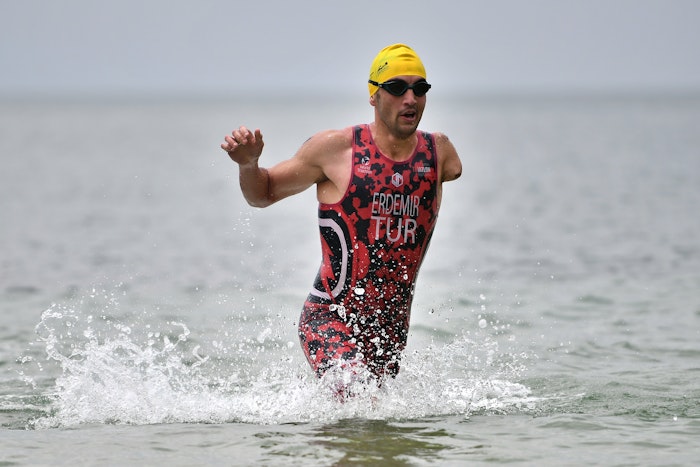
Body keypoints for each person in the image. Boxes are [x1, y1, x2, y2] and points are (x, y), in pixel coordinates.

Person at [221, 43, 462, 388]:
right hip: (327, 318)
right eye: (397, 88)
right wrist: (248, 164)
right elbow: (262, 193)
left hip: (389, 334)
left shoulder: (439, 155)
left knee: (375, 419)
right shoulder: (336, 150)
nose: (410, 99)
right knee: (357, 394)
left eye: (419, 88)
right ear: (374, 95)